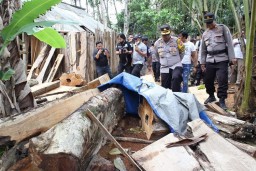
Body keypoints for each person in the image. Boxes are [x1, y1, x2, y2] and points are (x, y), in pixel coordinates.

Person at [200, 12, 236, 110]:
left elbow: (229, 43)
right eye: (207, 23)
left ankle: (222, 100)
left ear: (214, 20)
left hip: (222, 59)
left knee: (222, 80)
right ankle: (211, 95)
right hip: (210, 60)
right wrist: (202, 62)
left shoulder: (223, 28)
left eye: (210, 22)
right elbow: (202, 50)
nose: (209, 24)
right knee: (208, 80)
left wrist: (232, 58)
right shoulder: (205, 34)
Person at [154, 24, 185, 92]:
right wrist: (162, 62)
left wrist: (178, 60)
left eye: (167, 34)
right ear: (161, 34)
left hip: (176, 65)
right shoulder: (157, 43)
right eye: (164, 35)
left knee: (176, 78)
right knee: (165, 88)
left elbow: (182, 52)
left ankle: (177, 97)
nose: (165, 36)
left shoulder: (177, 41)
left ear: (170, 32)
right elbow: (157, 55)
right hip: (164, 67)